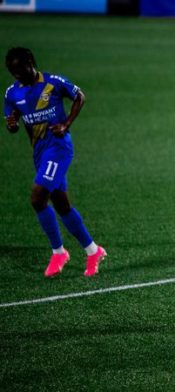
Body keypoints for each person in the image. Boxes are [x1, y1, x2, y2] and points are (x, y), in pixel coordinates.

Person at [4, 47, 106, 277]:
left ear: (31, 62)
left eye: (20, 68)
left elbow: (80, 96)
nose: (17, 74)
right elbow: (12, 121)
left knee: (38, 198)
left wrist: (66, 124)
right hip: (39, 153)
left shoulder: (53, 82)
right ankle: (93, 250)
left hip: (58, 148)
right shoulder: (12, 93)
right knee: (61, 204)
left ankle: (58, 251)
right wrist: (11, 124)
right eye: (12, 71)